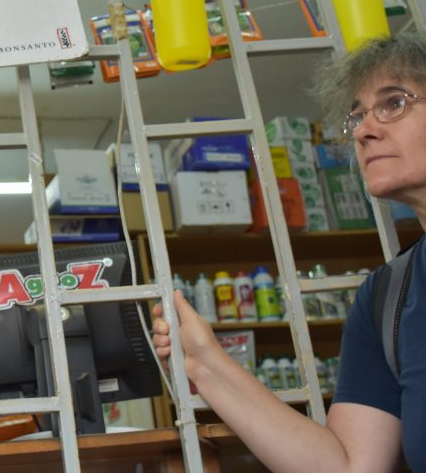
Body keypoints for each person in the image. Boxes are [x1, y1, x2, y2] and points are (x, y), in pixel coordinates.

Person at [152, 33, 426, 472]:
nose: (365, 130)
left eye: (393, 103)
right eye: (356, 117)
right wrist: (206, 364)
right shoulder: (386, 299)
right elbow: (350, 467)